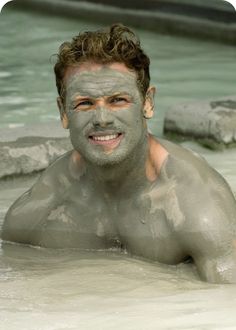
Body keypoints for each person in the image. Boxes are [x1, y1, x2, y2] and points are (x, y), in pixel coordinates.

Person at [2, 24, 236, 284]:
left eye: (118, 100)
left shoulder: (197, 209)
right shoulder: (39, 210)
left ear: (148, 103)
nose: (102, 119)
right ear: (64, 112)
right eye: (85, 103)